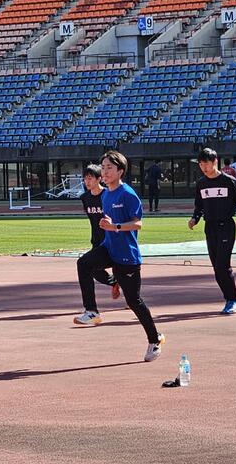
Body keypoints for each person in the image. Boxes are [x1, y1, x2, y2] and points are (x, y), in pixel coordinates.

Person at [74, 151, 165, 362]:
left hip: (127, 255)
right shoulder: (105, 195)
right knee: (83, 263)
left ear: (120, 171)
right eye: (103, 167)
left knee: (134, 301)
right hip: (109, 248)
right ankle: (92, 311)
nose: (105, 172)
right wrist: (106, 225)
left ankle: (155, 339)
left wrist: (114, 226)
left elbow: (138, 223)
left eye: (109, 168)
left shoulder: (127, 194)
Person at [188, 148, 236, 314]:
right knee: (217, 267)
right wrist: (195, 218)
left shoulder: (228, 181)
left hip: (226, 227)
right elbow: (199, 206)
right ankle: (228, 298)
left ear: (215, 162)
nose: (204, 167)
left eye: (206, 163)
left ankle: (233, 299)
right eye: (201, 164)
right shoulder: (201, 183)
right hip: (210, 227)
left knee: (223, 265)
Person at [77, 164, 120, 304]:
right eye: (85, 179)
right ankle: (114, 282)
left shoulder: (108, 194)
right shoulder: (85, 198)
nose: (87, 182)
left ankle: (130, 297)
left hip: (113, 239)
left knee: (121, 270)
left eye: (90, 178)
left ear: (99, 178)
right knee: (92, 269)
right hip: (97, 240)